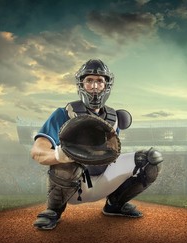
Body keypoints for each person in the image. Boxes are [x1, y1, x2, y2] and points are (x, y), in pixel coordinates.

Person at [30, 59, 163, 230]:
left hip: (105, 178)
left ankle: (115, 204)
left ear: (106, 85)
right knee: (67, 162)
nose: (94, 86)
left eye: (99, 81)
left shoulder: (114, 117)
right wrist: (59, 155)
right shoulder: (64, 113)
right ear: (81, 84)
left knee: (151, 159)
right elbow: (37, 151)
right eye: (89, 80)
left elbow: (112, 153)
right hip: (76, 185)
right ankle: (53, 211)